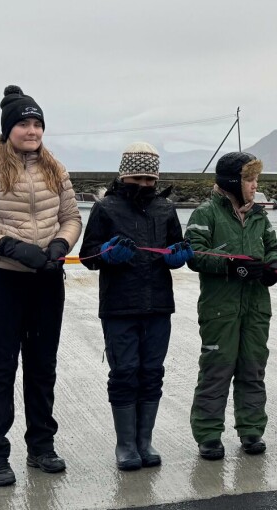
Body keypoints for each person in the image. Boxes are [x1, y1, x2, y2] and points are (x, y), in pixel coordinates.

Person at [0, 85, 82, 486]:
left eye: (37, 123)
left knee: (42, 366)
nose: (32, 131)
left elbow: (72, 217)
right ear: (9, 128)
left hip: (46, 281)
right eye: (24, 123)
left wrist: (62, 243)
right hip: (1, 282)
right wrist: (7, 246)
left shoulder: (55, 168)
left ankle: (41, 446)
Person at [79, 142, 193, 470]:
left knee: (152, 373)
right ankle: (125, 444)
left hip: (158, 305)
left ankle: (145, 441)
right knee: (124, 373)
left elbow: (176, 246)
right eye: (138, 177)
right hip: (119, 306)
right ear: (125, 175)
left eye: (150, 179)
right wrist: (106, 254)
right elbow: (88, 255)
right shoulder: (106, 208)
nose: (145, 184)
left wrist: (177, 257)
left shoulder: (166, 209)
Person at [185, 151, 277, 460]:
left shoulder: (259, 215)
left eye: (256, 179)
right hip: (221, 310)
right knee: (217, 370)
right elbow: (193, 252)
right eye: (250, 180)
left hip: (256, 308)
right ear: (232, 182)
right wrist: (232, 266)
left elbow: (275, 248)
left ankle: (251, 429)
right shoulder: (206, 214)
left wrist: (272, 268)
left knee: (253, 368)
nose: (255, 186)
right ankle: (208, 434)